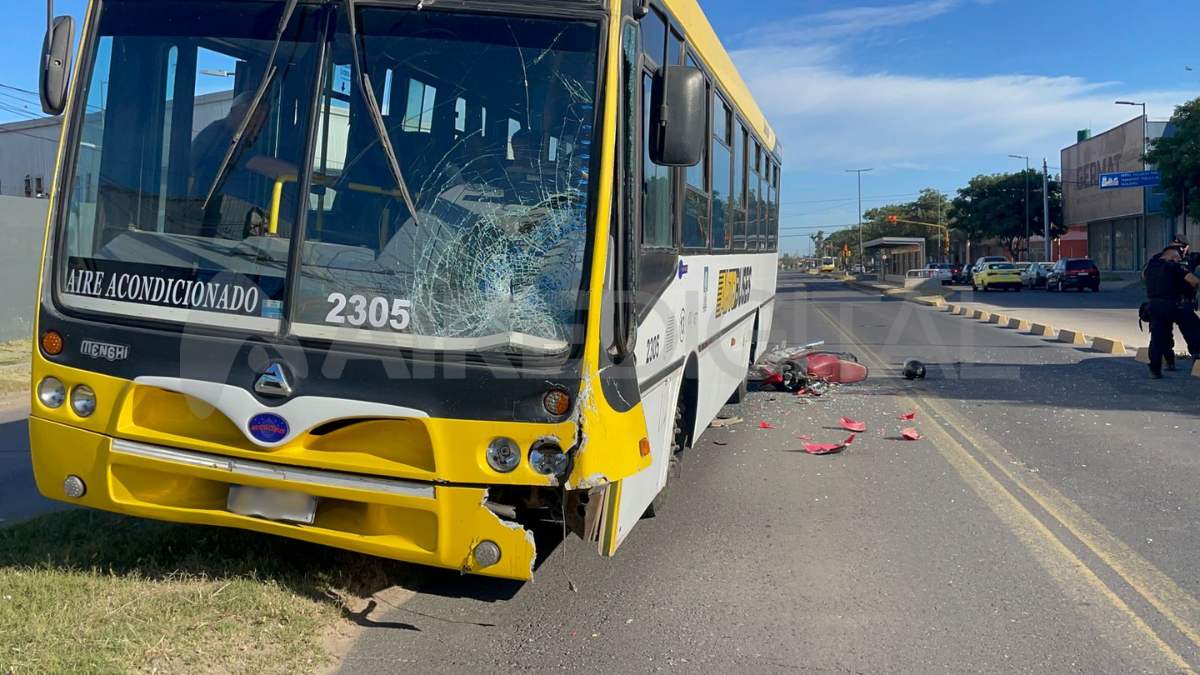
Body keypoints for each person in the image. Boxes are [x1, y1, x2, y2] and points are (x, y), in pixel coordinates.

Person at [191, 92, 297, 237]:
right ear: (235, 111)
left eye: (260, 123)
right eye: (252, 120)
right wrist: (304, 175)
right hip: (211, 211)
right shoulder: (217, 136)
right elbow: (262, 165)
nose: (255, 128)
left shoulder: (239, 136)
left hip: (234, 209)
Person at [1143, 245, 1200, 378]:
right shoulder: (1171, 265)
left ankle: (1155, 370)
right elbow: (1194, 280)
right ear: (1174, 257)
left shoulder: (1150, 266)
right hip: (1173, 304)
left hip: (1154, 306)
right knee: (1194, 326)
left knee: (1158, 338)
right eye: (1177, 259)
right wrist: (1191, 291)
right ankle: (1197, 356)